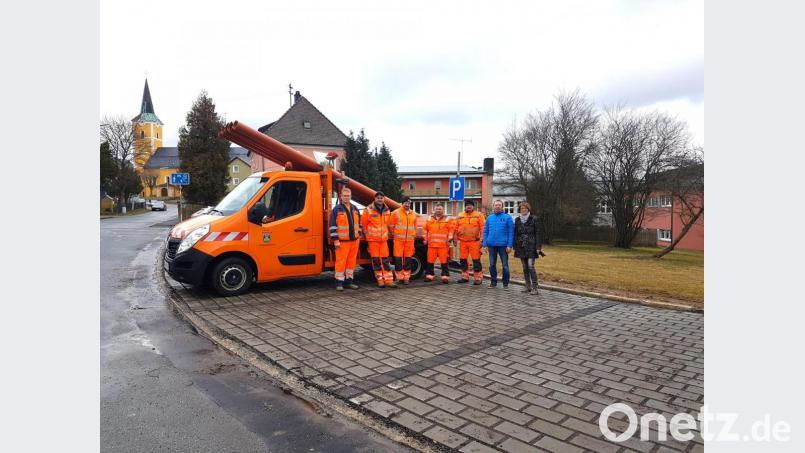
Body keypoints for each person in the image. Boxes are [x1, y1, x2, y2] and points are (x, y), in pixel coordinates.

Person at [361, 191, 397, 288]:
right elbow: (364, 225)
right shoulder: (368, 210)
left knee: (385, 260)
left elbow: (389, 224)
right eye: (378, 198)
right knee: (376, 261)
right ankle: (380, 280)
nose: (380, 199)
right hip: (373, 240)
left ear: (384, 199)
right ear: (375, 199)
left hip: (383, 240)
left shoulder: (387, 210)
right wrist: (368, 236)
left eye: (381, 197)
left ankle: (389, 280)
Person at [328, 187, 362, 291]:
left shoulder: (355, 208)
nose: (347, 197)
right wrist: (336, 240)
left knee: (351, 262)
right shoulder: (336, 210)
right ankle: (339, 283)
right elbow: (332, 226)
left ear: (350, 197)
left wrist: (359, 234)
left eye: (348, 196)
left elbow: (359, 224)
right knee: (341, 262)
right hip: (342, 242)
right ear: (341, 197)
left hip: (354, 241)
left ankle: (349, 282)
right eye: (345, 196)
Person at [482, 200, 514, 289]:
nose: (497, 206)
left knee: (505, 266)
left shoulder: (508, 218)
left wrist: (509, 245)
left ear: (502, 207)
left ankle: (505, 283)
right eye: (496, 205)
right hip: (491, 245)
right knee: (492, 265)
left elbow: (511, 232)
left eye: (499, 205)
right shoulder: (489, 218)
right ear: (493, 206)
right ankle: (493, 282)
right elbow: (485, 231)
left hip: (503, 245)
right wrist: (484, 244)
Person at [514, 202, 543, 295]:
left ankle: (535, 287)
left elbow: (538, 233)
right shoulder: (517, 220)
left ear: (528, 209)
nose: (523, 210)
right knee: (525, 267)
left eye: (525, 208)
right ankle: (528, 286)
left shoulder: (534, 219)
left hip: (531, 246)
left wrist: (538, 247)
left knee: (531, 266)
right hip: (521, 246)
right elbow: (516, 233)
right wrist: (515, 245)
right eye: (522, 208)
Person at [454, 200, 485, 285]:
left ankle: (478, 278)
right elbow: (455, 228)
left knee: (476, 260)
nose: (469, 207)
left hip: (474, 242)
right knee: (463, 260)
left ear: (473, 206)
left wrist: (482, 240)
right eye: (467, 205)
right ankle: (464, 277)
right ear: (465, 206)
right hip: (463, 242)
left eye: (470, 205)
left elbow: (483, 229)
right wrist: (455, 239)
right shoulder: (460, 215)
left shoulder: (479, 215)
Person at [387, 196, 417, 285]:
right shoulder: (395, 213)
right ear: (402, 203)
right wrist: (395, 234)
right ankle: (399, 277)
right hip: (398, 240)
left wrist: (413, 235)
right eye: (405, 203)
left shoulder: (413, 214)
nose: (407, 205)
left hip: (409, 241)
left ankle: (406, 278)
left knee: (408, 259)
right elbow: (390, 225)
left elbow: (414, 226)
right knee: (398, 259)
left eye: (409, 203)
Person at [423, 204, 455, 283]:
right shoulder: (429, 219)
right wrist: (425, 239)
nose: (438, 210)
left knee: (444, 261)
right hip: (432, 245)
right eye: (437, 209)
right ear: (434, 210)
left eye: (440, 209)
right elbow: (425, 230)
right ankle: (429, 276)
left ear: (443, 210)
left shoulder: (448, 219)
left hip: (443, 245)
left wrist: (449, 239)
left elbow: (451, 230)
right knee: (430, 261)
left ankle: (445, 277)